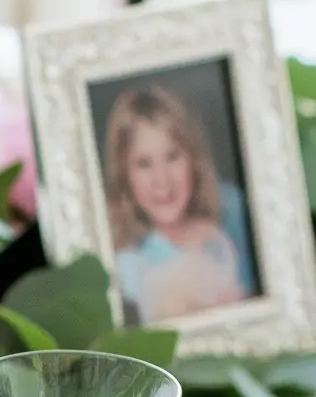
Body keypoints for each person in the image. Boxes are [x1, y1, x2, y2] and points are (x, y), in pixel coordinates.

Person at [103, 81, 257, 325]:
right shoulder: (125, 265)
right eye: (144, 163)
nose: (161, 179)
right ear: (124, 176)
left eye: (173, 156)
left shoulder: (234, 212)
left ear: (194, 159)